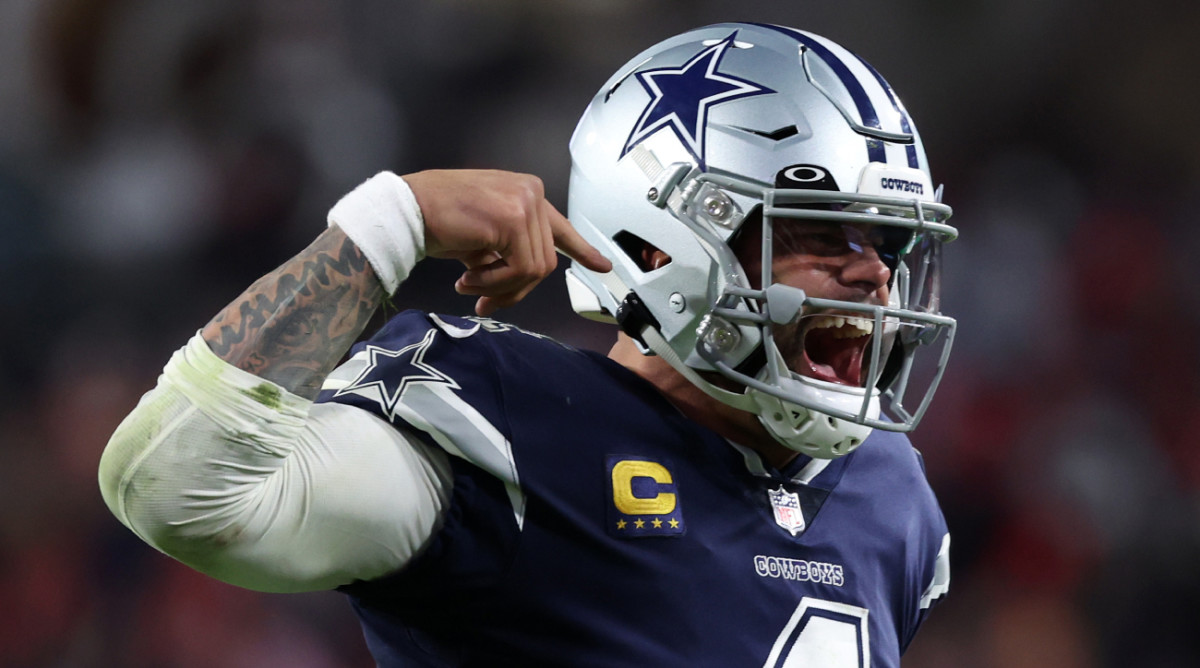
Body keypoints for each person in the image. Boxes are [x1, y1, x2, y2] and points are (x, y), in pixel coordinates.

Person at [99, 22, 958, 666]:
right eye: (820, 235)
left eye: (888, 245)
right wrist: (391, 225)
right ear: (661, 247)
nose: (874, 277)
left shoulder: (890, 499)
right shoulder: (511, 428)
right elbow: (171, 487)